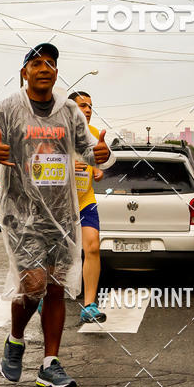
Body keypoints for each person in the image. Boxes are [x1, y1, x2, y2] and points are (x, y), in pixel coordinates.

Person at [0, 43, 113, 387]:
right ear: (24, 72)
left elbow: (90, 153)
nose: (44, 67)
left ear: (56, 71)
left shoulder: (68, 112)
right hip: (21, 215)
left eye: (51, 62)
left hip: (63, 215)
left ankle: (50, 363)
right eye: (36, 62)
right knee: (33, 284)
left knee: (56, 287)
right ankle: (16, 338)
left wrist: (102, 155)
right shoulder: (6, 109)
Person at [69, 91, 107, 323]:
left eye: (91, 106)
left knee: (92, 247)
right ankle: (45, 297)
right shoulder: (57, 133)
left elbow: (98, 167)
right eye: (82, 105)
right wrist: (66, 165)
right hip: (59, 203)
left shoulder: (94, 135)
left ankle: (90, 305)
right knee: (57, 255)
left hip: (86, 200)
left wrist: (98, 171)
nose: (88, 110)